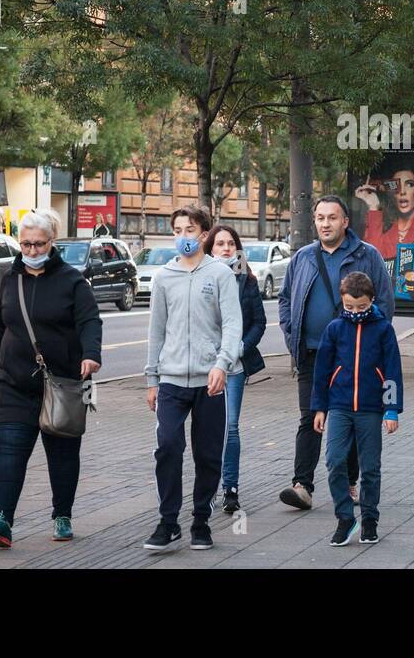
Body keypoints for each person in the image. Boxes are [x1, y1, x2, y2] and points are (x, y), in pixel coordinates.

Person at [0, 208, 102, 548]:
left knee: (62, 453)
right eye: (25, 245)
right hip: (13, 383)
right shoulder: (10, 279)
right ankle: (2, 520)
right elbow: (0, 326)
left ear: (52, 242)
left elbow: (90, 321)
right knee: (8, 450)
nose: (31, 251)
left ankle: (62, 515)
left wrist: (91, 355)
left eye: (38, 245)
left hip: (60, 383)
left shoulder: (71, 281)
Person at [277, 195, 394, 512]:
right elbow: (286, 301)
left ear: (345, 222)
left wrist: (370, 345)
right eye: (320, 218)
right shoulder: (303, 257)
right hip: (312, 353)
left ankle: (350, 482)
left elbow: (383, 302)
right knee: (309, 418)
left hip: (353, 356)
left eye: (332, 218)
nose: (325, 223)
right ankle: (302, 485)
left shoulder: (366, 255)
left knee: (354, 418)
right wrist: (292, 338)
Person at [143, 206, 243, 553]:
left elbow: (232, 324)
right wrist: (152, 379)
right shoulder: (164, 276)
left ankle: (201, 521)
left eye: (190, 230)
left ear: (204, 235)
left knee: (208, 453)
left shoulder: (220, 275)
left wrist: (222, 363)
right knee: (168, 446)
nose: (183, 236)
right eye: (178, 230)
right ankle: (168, 522)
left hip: (210, 381)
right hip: (171, 380)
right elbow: (156, 331)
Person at [311, 272, 404, 546]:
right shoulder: (335, 328)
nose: (355, 312)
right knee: (335, 461)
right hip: (338, 406)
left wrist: (391, 409)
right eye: (349, 307)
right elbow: (322, 371)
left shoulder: (383, 328)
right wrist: (319, 408)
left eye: (361, 307)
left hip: (371, 408)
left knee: (370, 467)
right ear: (342, 302)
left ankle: (370, 518)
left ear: (372, 301)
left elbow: (392, 371)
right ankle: (344, 517)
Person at [207, 223, 267, 514]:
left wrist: (241, 348)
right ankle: (207, 488)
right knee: (207, 429)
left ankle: (230, 488)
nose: (226, 248)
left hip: (235, 366)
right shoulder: (201, 277)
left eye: (230, 243)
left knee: (230, 427)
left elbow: (259, 322)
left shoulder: (247, 280)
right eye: (220, 244)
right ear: (211, 248)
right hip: (204, 367)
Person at [353, 165, 414, 262]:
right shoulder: (384, 230)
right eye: (396, 185)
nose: (402, 192)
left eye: (410, 184)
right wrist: (373, 206)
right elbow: (373, 258)